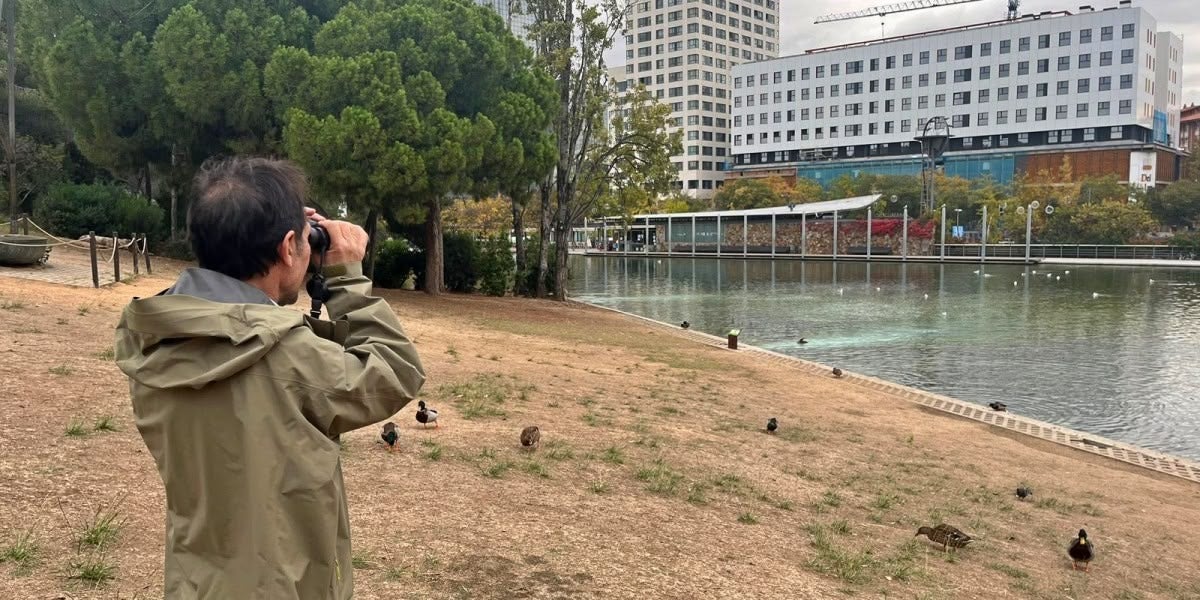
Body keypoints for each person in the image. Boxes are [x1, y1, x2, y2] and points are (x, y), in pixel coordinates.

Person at [114, 156, 426, 599]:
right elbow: (396, 370)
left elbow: (238, 324)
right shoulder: (289, 357)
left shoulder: (154, 337)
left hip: (195, 583)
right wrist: (345, 275)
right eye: (302, 241)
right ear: (286, 248)